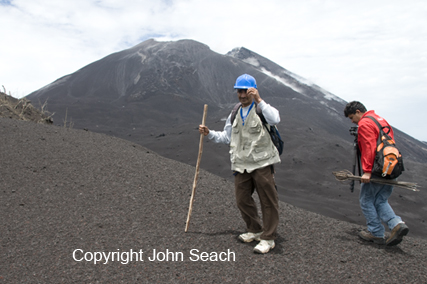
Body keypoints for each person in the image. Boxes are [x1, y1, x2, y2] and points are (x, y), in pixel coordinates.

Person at [199, 74, 281, 254]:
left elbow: (275, 119)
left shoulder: (262, 109)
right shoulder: (235, 112)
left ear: (253, 91)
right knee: (242, 199)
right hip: (241, 164)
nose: (242, 95)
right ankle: (255, 229)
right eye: (239, 91)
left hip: (261, 163)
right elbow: (227, 137)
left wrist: (259, 100)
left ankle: (268, 238)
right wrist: (209, 133)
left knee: (268, 201)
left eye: (246, 91)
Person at [344, 101, 409, 246]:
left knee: (366, 200)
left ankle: (375, 233)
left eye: (351, 117)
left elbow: (369, 147)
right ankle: (396, 224)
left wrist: (367, 171)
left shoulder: (365, 123)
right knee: (380, 200)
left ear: (358, 111)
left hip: (377, 168)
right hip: (391, 166)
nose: (352, 121)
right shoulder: (380, 120)